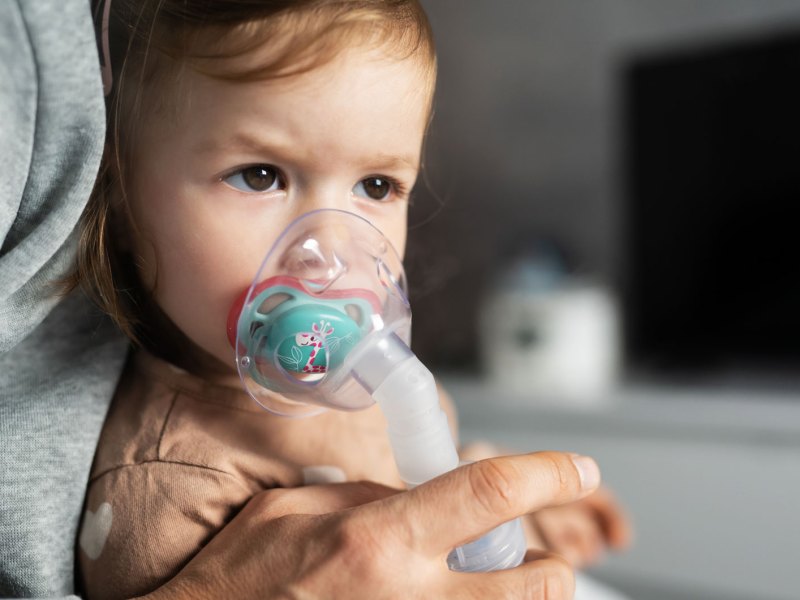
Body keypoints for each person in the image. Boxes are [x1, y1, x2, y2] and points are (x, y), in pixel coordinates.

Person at [1, 1, 625, 598]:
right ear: (122, 195)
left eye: (376, 185)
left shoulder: (375, 395)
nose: (328, 249)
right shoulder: (175, 495)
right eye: (260, 175)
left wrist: (504, 526)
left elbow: (413, 504)